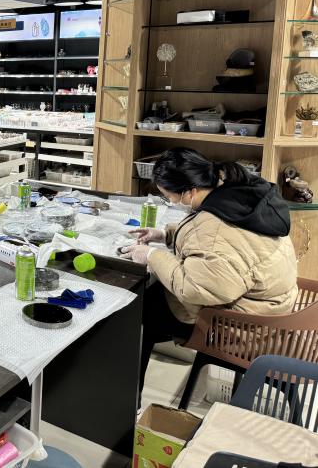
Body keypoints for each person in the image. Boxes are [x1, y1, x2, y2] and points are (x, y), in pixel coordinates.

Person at [121, 148, 298, 393]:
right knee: (153, 298)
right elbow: (232, 245)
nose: (171, 202)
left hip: (245, 328)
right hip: (271, 308)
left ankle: (128, 399)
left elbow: (194, 289)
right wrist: (165, 234)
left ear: (190, 192)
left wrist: (151, 255)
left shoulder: (214, 228)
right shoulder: (239, 194)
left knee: (139, 308)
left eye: (169, 196)